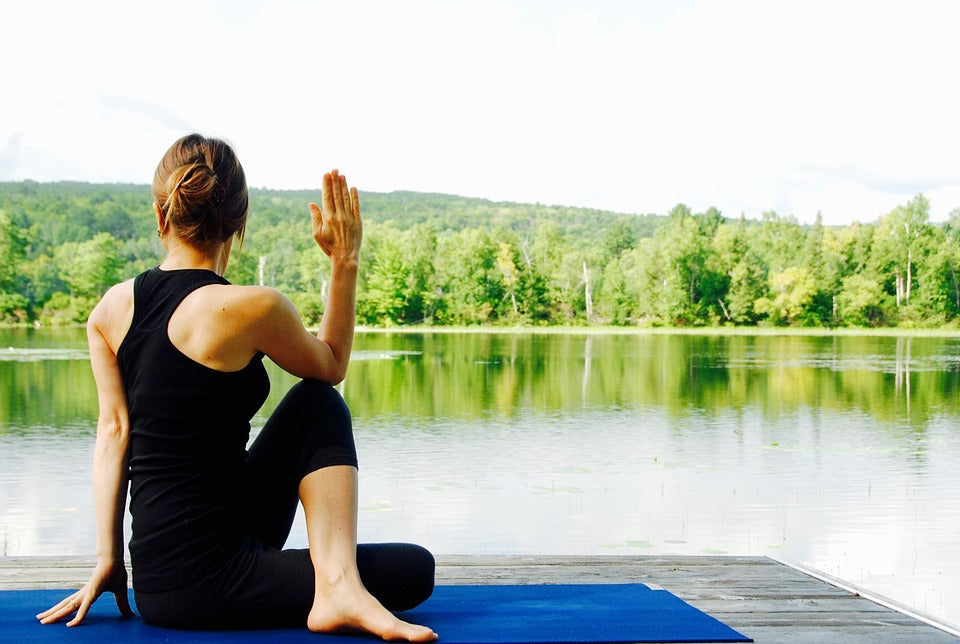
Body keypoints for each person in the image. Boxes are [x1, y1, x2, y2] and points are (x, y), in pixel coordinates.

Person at [36, 134, 438, 641]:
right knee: (411, 566)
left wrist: (109, 559)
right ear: (239, 223)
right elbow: (331, 364)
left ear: (162, 216)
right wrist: (345, 262)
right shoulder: (253, 308)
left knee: (314, 404)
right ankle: (337, 586)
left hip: (158, 584)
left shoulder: (109, 311)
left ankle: (338, 585)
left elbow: (114, 434)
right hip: (210, 584)